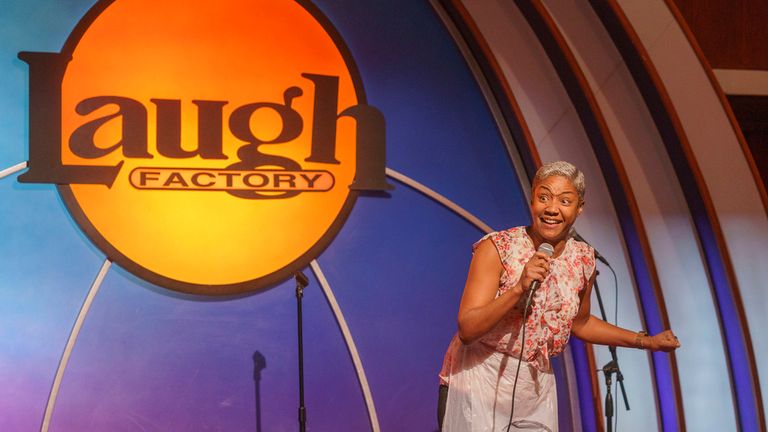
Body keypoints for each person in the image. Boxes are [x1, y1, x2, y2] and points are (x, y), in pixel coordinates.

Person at [437, 161, 680, 431]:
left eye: (565, 201)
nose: (552, 209)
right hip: (478, 377)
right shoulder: (498, 247)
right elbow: (468, 329)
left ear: (579, 208)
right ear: (532, 201)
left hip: (535, 385)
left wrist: (646, 342)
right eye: (544, 198)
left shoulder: (583, 259)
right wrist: (518, 289)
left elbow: (581, 323)